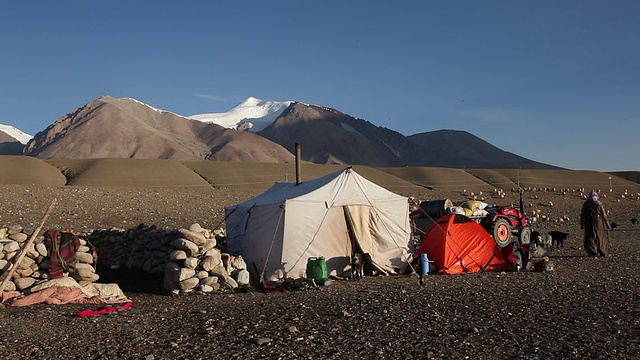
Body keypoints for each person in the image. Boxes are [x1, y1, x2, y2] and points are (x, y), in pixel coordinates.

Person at [580, 191, 611, 257]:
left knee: (589, 236)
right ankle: (601, 251)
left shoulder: (586, 204)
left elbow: (583, 214)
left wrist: (582, 224)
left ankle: (592, 251)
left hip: (588, 220)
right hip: (598, 221)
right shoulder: (598, 204)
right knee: (599, 236)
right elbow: (604, 215)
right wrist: (607, 224)